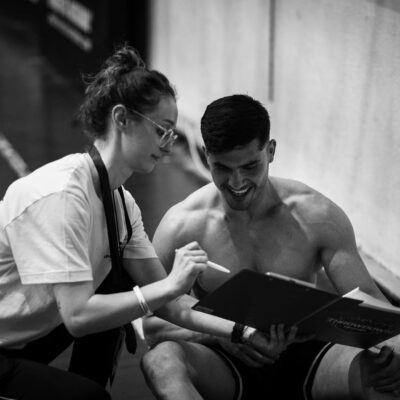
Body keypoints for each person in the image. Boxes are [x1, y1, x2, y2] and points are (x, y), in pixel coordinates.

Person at [0, 50, 294, 400]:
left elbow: (171, 304)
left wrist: (242, 331)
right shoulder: (61, 195)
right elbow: (78, 316)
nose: (168, 147)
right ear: (122, 119)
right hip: (9, 346)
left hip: (23, 340)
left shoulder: (122, 205)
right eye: (163, 131)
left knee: (117, 281)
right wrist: (170, 284)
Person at [140, 94, 400, 400]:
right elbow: (152, 325)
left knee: (387, 376)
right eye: (222, 168)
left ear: (271, 151)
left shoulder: (317, 216)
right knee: (161, 362)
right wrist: (222, 333)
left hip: (309, 357)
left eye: (250, 166)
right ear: (206, 154)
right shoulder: (181, 225)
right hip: (225, 360)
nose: (237, 182)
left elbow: (370, 303)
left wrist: (394, 344)